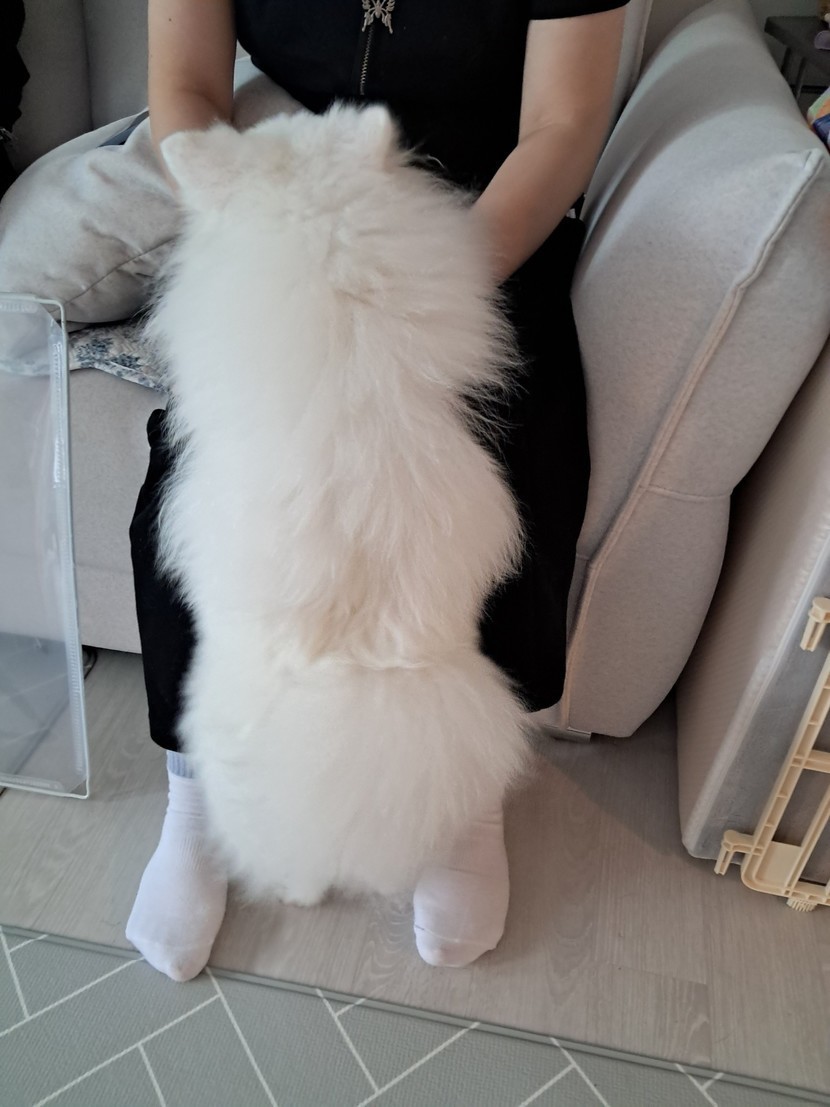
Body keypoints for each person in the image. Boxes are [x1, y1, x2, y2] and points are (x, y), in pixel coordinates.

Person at [126, 0, 628, 982]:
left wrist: (425, 285)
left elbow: (562, 124)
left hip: (484, 222)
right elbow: (183, 89)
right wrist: (259, 231)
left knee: (513, 461)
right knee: (216, 477)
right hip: (285, 209)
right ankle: (197, 795)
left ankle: (464, 802)